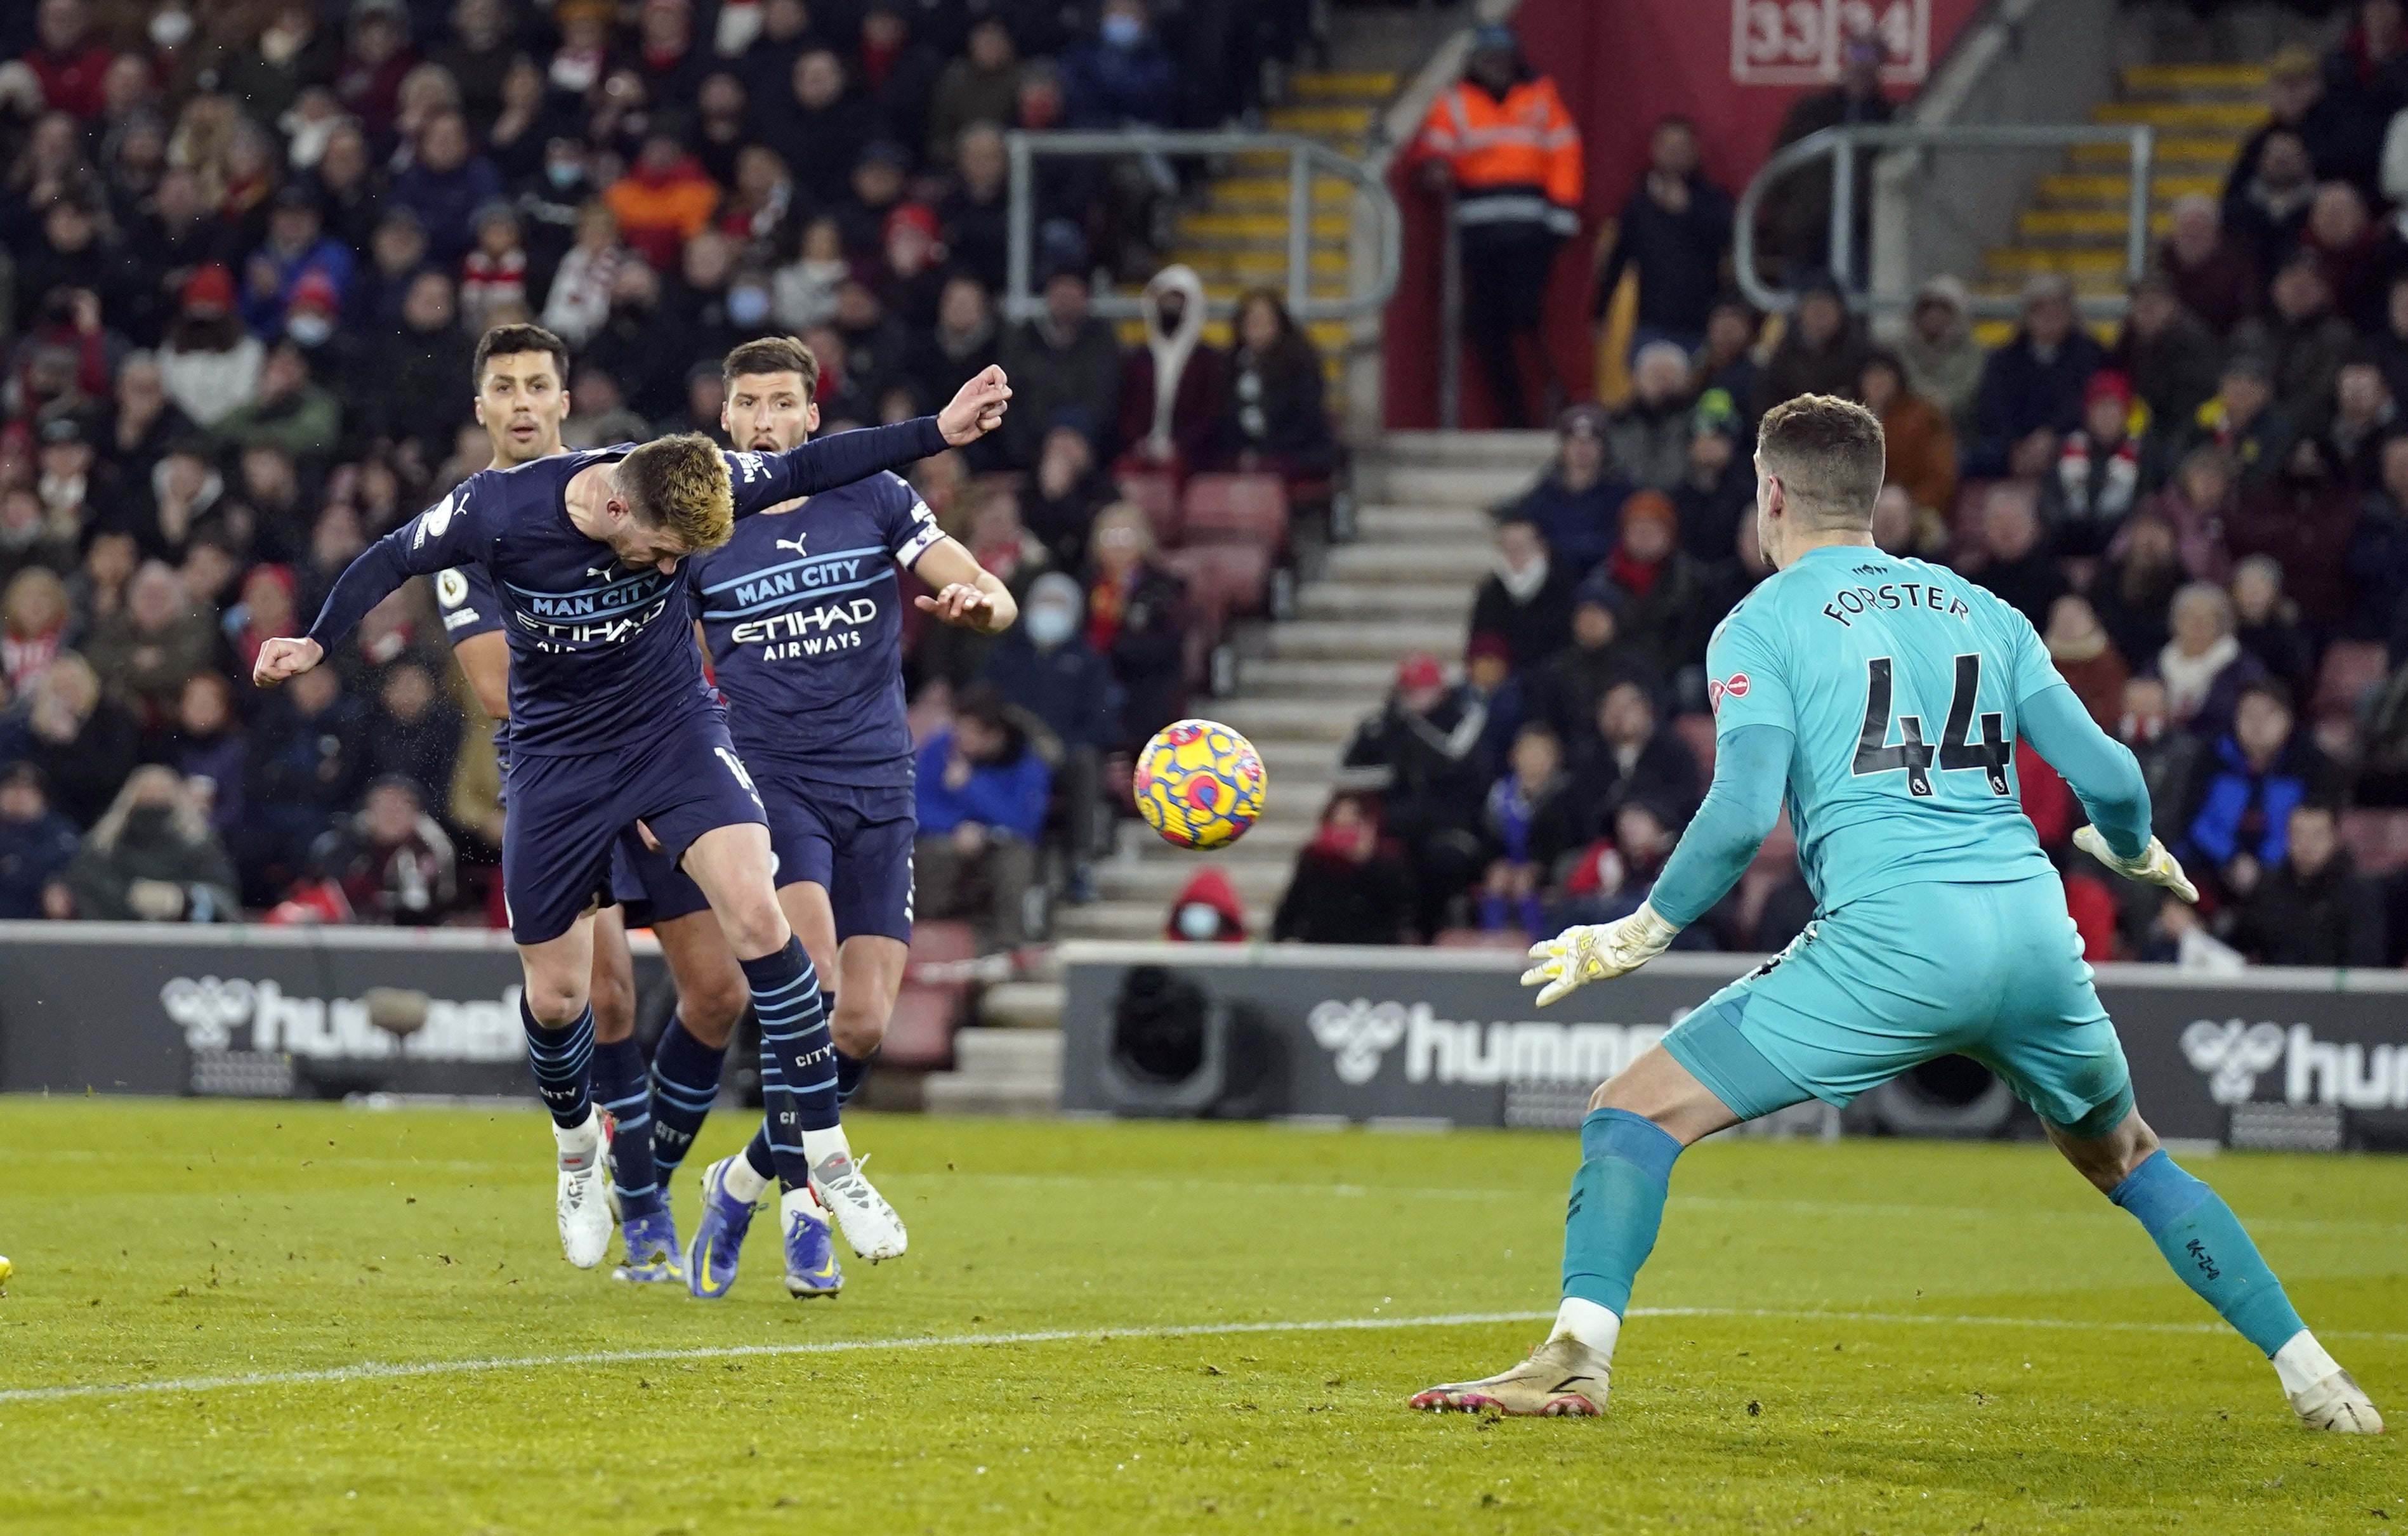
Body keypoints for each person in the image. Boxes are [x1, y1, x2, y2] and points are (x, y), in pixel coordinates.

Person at [1413, 393, 2383, 1435]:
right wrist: (2133, 843)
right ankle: (2319, 1378)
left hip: (1896, 941)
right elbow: (2106, 769)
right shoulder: (1982, 607)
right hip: (2032, 931)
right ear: (1872, 497)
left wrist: (1639, 930)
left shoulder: (1763, 619)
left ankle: (1575, 1357)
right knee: (2132, 1158)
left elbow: (1741, 813)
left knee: (1629, 1113)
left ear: (1771, 493)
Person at [253, 335, 1013, 1277]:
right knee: (566, 994)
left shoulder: (686, 481)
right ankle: (579, 1156)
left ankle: (823, 1162)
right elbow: (385, 558)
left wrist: (934, 431)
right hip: (558, 761)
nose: (667, 571)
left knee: (754, 920)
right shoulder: (489, 514)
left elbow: (816, 461)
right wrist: (316, 640)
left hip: (672, 734)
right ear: (618, 511)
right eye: (659, 553)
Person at [671, 336, 1016, 1299]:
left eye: (785, 404)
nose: (768, 420)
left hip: (879, 781)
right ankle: (807, 1208)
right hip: (774, 785)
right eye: (749, 405)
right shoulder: (698, 531)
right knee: (812, 979)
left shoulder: (873, 494)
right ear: (726, 418)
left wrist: (974, 603)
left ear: (812, 417)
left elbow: (990, 592)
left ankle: (740, 1178)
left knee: (861, 1023)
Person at [1411, 24, 1582, 428]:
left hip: (1531, 234)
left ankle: (1556, 401)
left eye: (1501, 57)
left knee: (1529, 319)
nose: (1495, 66)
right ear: (1473, 62)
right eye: (1487, 58)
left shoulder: (1540, 96)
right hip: (1480, 236)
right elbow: (1432, 150)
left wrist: (1561, 216)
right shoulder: (1455, 102)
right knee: (1489, 329)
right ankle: (1516, 416)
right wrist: (1432, 168)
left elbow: (1565, 155)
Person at [982, 570, 1119, 905]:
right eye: (1044, 603)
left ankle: (1080, 863)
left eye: (1058, 605)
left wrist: (1062, 746)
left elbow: (1102, 720)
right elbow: (983, 703)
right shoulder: (1006, 656)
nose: (1049, 612)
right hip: (1010, 752)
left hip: (1064, 755)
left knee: (1087, 764)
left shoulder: (1088, 662)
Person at [1337, 652, 1490, 939]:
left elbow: (1453, 763)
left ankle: (1431, 932)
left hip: (1453, 825)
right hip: (1396, 826)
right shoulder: (1381, 726)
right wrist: (1393, 771)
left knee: (1440, 861)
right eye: (1409, 690)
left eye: (1423, 690)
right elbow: (1347, 772)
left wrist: (1410, 732)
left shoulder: (1463, 719)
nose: (1415, 698)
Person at [912, 685, 1049, 952]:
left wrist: (971, 788)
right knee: (927, 854)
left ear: (992, 735)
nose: (959, 738)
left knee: (1016, 860)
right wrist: (955, 828)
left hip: (1000, 843)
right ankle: (928, 933)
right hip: (949, 840)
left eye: (968, 731)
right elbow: (916, 806)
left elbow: (1025, 821)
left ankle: (1007, 945)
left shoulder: (1026, 761)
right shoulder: (940, 749)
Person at [1591, 116, 1732, 360]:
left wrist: (1689, 212)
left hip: (1703, 327)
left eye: (1681, 147)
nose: (1674, 154)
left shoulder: (1714, 200)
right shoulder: (1639, 205)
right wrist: (1600, 313)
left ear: (1694, 151)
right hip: (1653, 325)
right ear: (1655, 150)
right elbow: (1618, 261)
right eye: (1668, 147)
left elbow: (1728, 244)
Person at [55, 765, 237, 923]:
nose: (154, 796)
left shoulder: (198, 843)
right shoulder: (103, 843)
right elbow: (83, 884)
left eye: (161, 790)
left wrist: (182, 899)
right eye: (146, 790)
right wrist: (128, 900)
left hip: (183, 944)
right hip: (115, 941)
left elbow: (223, 898)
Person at [1966, 273, 2106, 480]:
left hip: (2068, 440)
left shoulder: (2091, 354)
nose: (2048, 316)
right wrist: (2015, 444)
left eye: (2057, 308)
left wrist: (2051, 436)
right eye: (2039, 309)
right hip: (2013, 446)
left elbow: (2091, 402)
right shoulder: (2004, 358)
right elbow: (1992, 406)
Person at [2232, 801, 2386, 966]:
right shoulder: (2268, 888)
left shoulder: (2358, 893)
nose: (2306, 844)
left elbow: (2366, 958)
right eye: (2298, 835)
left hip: (2336, 988)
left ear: (2335, 838)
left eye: (2317, 835)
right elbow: (2237, 942)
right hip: (2277, 986)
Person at [311, 774, 458, 924]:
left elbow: (445, 902)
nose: (392, 813)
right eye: (384, 805)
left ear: (417, 813)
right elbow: (327, 895)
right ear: (369, 810)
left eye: (402, 804)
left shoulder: (431, 849)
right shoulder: (344, 845)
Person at [1479, 722, 1582, 935]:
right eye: (1527, 751)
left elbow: (1565, 841)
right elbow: (1489, 838)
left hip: (1548, 867)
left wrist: (1537, 868)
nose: (1533, 759)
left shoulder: (1565, 795)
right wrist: (1498, 863)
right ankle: (1492, 940)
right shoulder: (1500, 794)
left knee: (1523, 883)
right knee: (1496, 880)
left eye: (1541, 753)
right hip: (1508, 863)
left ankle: (1537, 939)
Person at [1270, 792, 1412, 945]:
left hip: (1373, 948)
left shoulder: (1388, 860)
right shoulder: (1314, 859)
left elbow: (1398, 909)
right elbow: (1291, 909)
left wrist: (1365, 863)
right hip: (1323, 945)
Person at [1503, 404, 1627, 577]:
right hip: (1553, 579)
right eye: (1574, 442)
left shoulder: (1620, 493)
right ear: (1563, 447)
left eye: (1590, 442)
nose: (1582, 449)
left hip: (1602, 578)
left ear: (1603, 448)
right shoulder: (1545, 493)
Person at [2039, 371, 2143, 556]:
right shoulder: (2064, 451)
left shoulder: (2143, 455)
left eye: (2114, 408)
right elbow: (2050, 503)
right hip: (2064, 549)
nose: (2107, 416)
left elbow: (2141, 505)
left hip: (2117, 552)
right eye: (2100, 408)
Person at [1468, 515, 1574, 673]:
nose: (1514, 554)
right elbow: (1480, 641)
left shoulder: (1562, 586)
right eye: (1507, 547)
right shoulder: (1491, 591)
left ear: (1541, 548)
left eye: (1521, 546)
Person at [0, 761, 79, 919]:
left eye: (27, 789)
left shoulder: (60, 831)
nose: (19, 796)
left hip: (40, 928)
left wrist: (13, 867)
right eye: (11, 788)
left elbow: (58, 865)